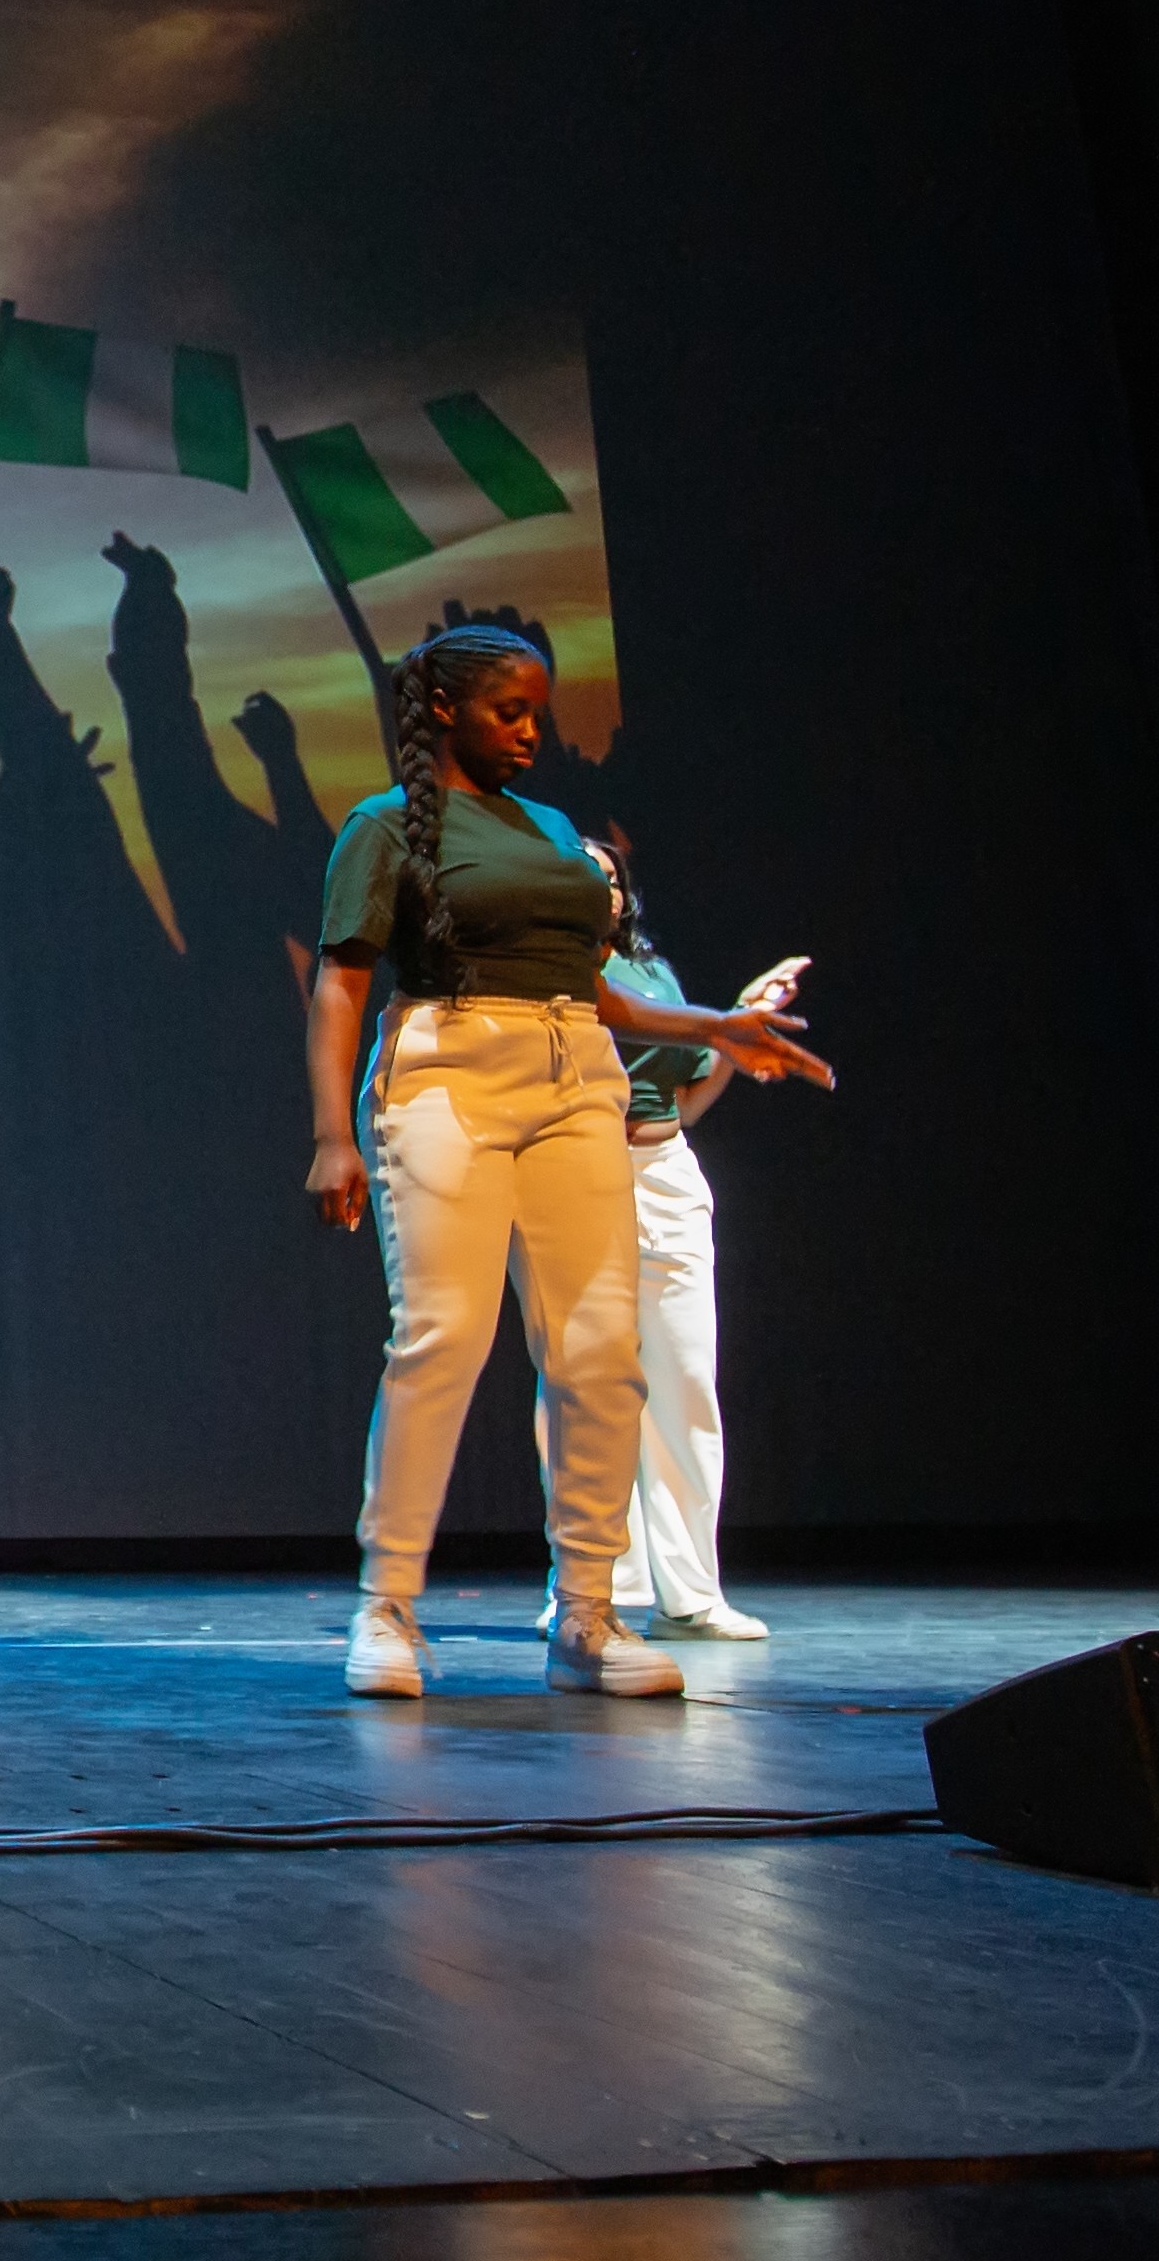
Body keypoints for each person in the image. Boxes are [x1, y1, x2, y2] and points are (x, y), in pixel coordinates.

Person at [301, 621, 825, 1702]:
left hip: (575, 1072)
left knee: (600, 1350)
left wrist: (717, 1027)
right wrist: (330, 1137)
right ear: (442, 708)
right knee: (442, 1337)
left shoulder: (545, 827)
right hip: (445, 1072)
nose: (531, 731)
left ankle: (587, 1614)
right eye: (509, 710)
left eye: (537, 712)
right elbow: (341, 984)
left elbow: (595, 992)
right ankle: (386, 1607)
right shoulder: (384, 824)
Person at [534, 843, 806, 1646]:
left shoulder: (654, 973)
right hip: (582, 1176)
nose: (601, 887)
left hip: (667, 1172)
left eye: (611, 877)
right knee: (586, 1387)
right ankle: (593, 1588)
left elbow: (684, 1101)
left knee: (685, 1384)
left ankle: (692, 1592)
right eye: (583, 874)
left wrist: (738, 1022)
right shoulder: (544, 974)